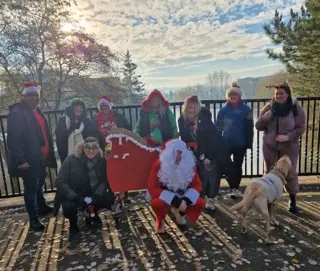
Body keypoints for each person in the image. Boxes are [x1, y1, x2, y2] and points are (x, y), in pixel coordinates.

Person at [7, 82, 57, 230]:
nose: (34, 98)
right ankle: (34, 218)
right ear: (24, 96)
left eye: (36, 95)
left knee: (40, 182)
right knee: (31, 187)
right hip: (28, 158)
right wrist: (21, 160)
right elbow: (14, 140)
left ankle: (41, 205)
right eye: (30, 95)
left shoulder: (36, 110)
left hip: (39, 156)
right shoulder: (17, 113)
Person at [178, 96, 236, 210]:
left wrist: (208, 156)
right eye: (189, 107)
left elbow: (212, 138)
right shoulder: (182, 120)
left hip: (212, 150)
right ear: (185, 108)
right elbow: (185, 138)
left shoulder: (204, 117)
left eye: (195, 107)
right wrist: (194, 152)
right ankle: (200, 198)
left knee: (212, 176)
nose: (192, 110)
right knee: (199, 176)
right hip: (195, 151)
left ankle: (211, 199)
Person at [255, 83, 306, 213]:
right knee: (270, 174)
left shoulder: (295, 108)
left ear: (288, 94)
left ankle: (292, 199)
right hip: (270, 147)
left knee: (290, 173)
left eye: (282, 93)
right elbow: (258, 126)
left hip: (289, 147)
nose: (279, 96)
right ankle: (269, 199)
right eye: (277, 94)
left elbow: (301, 128)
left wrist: (288, 137)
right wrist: (264, 119)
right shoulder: (269, 107)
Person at [55, 137, 115, 233]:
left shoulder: (101, 160)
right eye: (88, 148)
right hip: (75, 194)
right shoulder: (71, 159)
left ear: (98, 148)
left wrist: (97, 195)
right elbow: (60, 181)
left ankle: (93, 214)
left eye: (94, 148)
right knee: (69, 207)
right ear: (83, 148)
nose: (91, 151)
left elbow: (104, 180)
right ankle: (73, 222)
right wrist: (75, 197)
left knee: (108, 198)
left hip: (92, 193)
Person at [148, 139, 206, 233]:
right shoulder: (159, 166)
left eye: (181, 153)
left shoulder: (189, 165)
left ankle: (181, 214)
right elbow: (152, 188)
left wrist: (185, 200)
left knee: (200, 203)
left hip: (183, 195)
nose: (180, 156)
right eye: (177, 153)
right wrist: (174, 200)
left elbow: (197, 186)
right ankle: (160, 219)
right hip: (164, 196)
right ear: (169, 154)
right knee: (156, 203)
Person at [216, 83, 254, 198]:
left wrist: (249, 142)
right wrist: (217, 143)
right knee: (224, 166)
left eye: (235, 96)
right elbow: (218, 127)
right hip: (226, 144)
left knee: (238, 166)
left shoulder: (246, 110)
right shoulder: (223, 111)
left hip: (240, 144)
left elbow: (249, 127)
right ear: (228, 97)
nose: (233, 98)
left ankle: (235, 189)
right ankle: (226, 187)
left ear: (239, 97)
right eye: (231, 96)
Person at [55, 98, 91, 163]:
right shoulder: (63, 120)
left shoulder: (86, 121)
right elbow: (60, 138)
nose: (79, 109)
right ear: (72, 108)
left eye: (81, 107)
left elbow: (89, 137)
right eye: (76, 106)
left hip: (83, 152)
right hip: (66, 151)